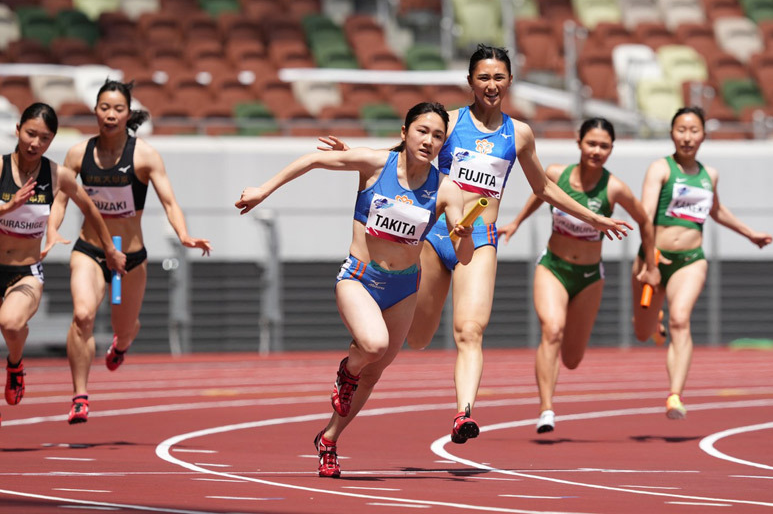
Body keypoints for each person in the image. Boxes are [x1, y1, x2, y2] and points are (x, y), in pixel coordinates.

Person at [318, 44, 631, 444]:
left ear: (510, 81)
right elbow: (409, 153)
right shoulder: (447, 123)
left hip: (480, 238)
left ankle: (463, 413)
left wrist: (594, 217)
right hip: (433, 237)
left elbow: (545, 187)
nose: (491, 84)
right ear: (470, 82)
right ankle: (354, 371)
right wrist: (358, 156)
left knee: (470, 330)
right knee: (417, 338)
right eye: (483, 77)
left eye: (499, 77)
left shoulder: (518, 134)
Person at [236, 102, 474, 477]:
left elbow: (465, 256)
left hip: (404, 289)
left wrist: (465, 234)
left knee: (375, 373)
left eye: (438, 135)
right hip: (359, 278)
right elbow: (312, 160)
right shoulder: (374, 163)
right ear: (404, 132)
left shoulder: (446, 190)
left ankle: (329, 439)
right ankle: (347, 371)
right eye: (422, 131)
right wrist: (263, 190)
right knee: (373, 346)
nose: (429, 140)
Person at [47, 80, 212, 425]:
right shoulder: (78, 153)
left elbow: (169, 201)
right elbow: (60, 200)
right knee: (83, 316)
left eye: (118, 109)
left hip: (129, 258)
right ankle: (80, 395)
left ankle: (120, 346)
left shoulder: (145, 155)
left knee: (125, 327)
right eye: (104, 108)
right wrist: (50, 230)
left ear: (128, 114)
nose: (110, 115)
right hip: (90, 250)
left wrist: (184, 234)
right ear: (95, 110)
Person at [497, 118, 660, 433]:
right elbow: (540, 193)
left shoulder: (614, 189)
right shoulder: (558, 173)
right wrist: (517, 222)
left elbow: (644, 220)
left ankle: (554, 389)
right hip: (553, 268)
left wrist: (650, 264)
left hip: (588, 278)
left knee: (571, 358)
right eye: (591, 143)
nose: (597, 151)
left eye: (604, 146)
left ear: (611, 149)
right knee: (552, 330)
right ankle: (546, 410)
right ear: (579, 142)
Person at [631, 107, 772, 420]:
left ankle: (675, 395)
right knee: (642, 333)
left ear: (704, 135)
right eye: (681, 129)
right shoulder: (661, 169)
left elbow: (716, 211)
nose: (687, 137)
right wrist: (650, 257)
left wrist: (749, 234)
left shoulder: (710, 175)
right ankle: (655, 321)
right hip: (653, 258)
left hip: (690, 261)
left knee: (681, 320)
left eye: (694, 130)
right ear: (672, 133)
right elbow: (645, 215)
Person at [0, 103, 125, 425]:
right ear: (17, 130)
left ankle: (15, 365)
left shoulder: (57, 176)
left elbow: (90, 208)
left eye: (44, 138)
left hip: (24, 273)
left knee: (11, 325)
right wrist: (8, 207)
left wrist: (110, 249)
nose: (34, 144)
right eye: (30, 134)